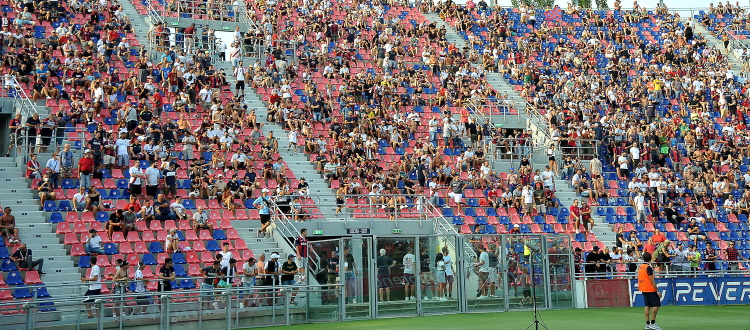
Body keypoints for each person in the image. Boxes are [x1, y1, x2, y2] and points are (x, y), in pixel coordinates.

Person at [638, 252, 662, 330]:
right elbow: (652, 281)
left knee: (647, 305)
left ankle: (647, 324)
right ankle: (653, 323)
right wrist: (657, 291)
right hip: (650, 289)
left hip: (643, 288)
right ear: (650, 258)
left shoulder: (641, 266)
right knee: (656, 305)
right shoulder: (648, 267)